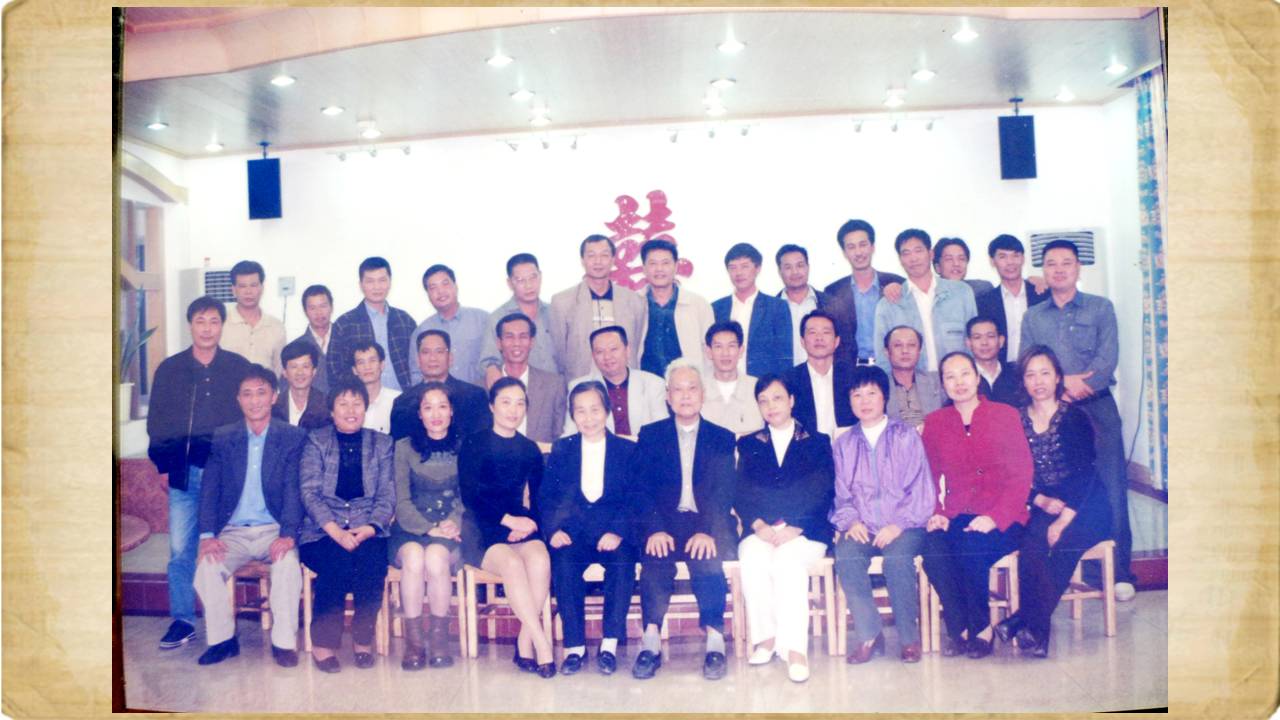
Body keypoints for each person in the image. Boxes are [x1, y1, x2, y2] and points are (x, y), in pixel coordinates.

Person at [1020, 239, 1136, 599]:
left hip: (1096, 407)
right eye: (1051, 264)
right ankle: (1076, 568)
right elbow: (1028, 361)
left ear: (1078, 268)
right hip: (1053, 413)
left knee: (1111, 486)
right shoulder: (1033, 316)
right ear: (1043, 270)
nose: (1059, 269)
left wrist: (1067, 387)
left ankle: (1120, 573)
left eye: (1066, 263)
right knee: (1069, 486)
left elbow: (1106, 361)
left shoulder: (1101, 308)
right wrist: (1058, 390)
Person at [147, 296, 252, 651]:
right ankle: (182, 620)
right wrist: (164, 465)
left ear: (222, 326)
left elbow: (250, 416)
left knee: (225, 548)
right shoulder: (170, 369)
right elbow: (157, 422)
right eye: (200, 321)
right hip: (185, 472)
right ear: (190, 325)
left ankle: (221, 624)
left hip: (227, 476)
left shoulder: (237, 367)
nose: (207, 329)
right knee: (180, 550)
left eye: (214, 321)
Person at [995, 346, 1112, 658]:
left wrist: (1063, 520)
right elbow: (1012, 473)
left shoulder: (1074, 417)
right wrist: (1040, 499)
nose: (1038, 381)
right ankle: (1033, 633)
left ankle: (1025, 622)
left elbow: (1086, 475)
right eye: (1031, 375)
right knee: (1031, 545)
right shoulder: (1017, 420)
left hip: (1087, 505)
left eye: (1045, 373)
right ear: (1023, 381)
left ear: (1058, 377)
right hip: (1046, 503)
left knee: (1062, 546)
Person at [631, 360, 738, 681]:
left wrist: (707, 531)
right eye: (677, 389)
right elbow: (641, 489)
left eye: (692, 388)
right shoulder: (651, 435)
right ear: (668, 396)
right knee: (655, 560)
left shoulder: (722, 437)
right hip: (664, 524)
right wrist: (655, 529)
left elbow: (724, 492)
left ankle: (715, 641)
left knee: (707, 560)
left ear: (703, 394)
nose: (685, 395)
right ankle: (650, 641)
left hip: (708, 523)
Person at [920, 352, 1032, 659]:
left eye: (965, 374)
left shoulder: (1005, 415)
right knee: (932, 549)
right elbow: (929, 475)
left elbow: (1022, 474)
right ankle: (960, 627)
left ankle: (981, 628)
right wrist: (937, 513)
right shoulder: (935, 422)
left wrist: (995, 517)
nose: (959, 382)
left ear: (977, 377)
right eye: (950, 376)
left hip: (1005, 516)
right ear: (942, 384)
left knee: (971, 547)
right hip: (957, 514)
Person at [192, 365, 306, 666]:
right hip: (234, 532)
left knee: (287, 566)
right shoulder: (223, 437)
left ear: (274, 397)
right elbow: (210, 489)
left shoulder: (291, 437)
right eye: (247, 394)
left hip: (274, 529)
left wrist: (288, 534)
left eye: (261, 393)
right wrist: (207, 536)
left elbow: (294, 490)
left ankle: (283, 644)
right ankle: (223, 640)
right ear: (238, 399)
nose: (254, 400)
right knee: (206, 568)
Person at [830, 366, 934, 664]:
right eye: (857, 395)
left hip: (906, 525)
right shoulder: (844, 444)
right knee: (846, 555)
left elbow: (921, 489)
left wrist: (898, 524)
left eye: (871, 393)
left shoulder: (906, 436)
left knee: (897, 560)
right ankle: (869, 634)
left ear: (884, 397)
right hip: (862, 525)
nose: (864, 401)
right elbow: (840, 493)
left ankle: (909, 639)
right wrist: (851, 520)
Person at [734, 374, 835, 683]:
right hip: (762, 529)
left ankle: (795, 650)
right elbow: (741, 491)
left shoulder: (817, 442)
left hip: (807, 530)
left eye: (777, 398)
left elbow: (823, 490)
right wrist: (758, 524)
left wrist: (796, 527)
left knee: (787, 562)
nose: (771, 406)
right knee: (751, 555)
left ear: (791, 400)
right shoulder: (749, 443)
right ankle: (766, 639)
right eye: (763, 401)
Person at [458, 377, 556, 678]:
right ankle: (542, 643)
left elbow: (539, 498)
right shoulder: (474, 443)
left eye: (520, 403)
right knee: (512, 564)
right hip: (482, 528)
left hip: (520, 524)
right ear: (492, 406)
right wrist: (508, 521)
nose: (513, 410)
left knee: (540, 558)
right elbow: (471, 496)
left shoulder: (529, 449)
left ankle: (524, 642)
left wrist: (529, 525)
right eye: (506, 402)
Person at [539, 381, 640, 676]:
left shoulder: (627, 450)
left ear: (607, 411)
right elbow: (547, 496)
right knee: (564, 563)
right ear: (572, 415)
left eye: (595, 409)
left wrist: (618, 531)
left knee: (622, 563)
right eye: (580, 411)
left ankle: (609, 645)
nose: (588, 417)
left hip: (612, 532)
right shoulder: (562, 449)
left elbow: (636, 497)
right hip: (573, 533)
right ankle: (575, 648)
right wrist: (554, 530)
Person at [297, 378, 396, 672]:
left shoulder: (382, 444)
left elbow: (387, 494)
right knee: (337, 563)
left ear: (366, 408)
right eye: (343, 404)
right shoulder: (316, 441)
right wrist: (336, 532)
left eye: (357, 403)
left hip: (368, 528)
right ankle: (323, 645)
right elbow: (309, 493)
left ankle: (362, 642)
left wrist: (371, 527)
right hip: (322, 530)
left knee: (372, 564)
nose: (350, 410)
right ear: (331, 410)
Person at [389, 382, 465, 670]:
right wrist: (429, 528)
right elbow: (401, 500)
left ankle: (439, 640)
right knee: (414, 558)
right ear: (419, 413)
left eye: (442, 406)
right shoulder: (403, 447)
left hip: (451, 530)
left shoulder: (465, 446)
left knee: (435, 557)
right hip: (410, 527)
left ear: (452, 411)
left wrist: (453, 522)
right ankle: (415, 643)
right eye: (428, 407)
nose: (436, 414)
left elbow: (467, 496)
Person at [874, 229, 977, 374]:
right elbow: (882, 358)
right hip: (911, 384)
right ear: (900, 260)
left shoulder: (961, 293)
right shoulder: (888, 305)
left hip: (956, 381)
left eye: (918, 250)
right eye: (906, 253)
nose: (913, 258)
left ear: (931, 254)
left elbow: (973, 343)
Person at [549, 235, 648, 381]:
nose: (598, 261)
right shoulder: (562, 302)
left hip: (624, 383)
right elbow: (559, 353)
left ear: (613, 260)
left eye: (604, 255)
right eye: (591, 255)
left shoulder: (634, 301)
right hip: (581, 383)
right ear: (582, 260)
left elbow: (637, 346)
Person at [821, 219, 905, 368]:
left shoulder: (896, 283)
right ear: (844, 253)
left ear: (872, 247)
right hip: (850, 371)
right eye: (851, 247)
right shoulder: (833, 292)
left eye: (863, 244)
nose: (858, 252)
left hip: (891, 368)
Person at [327, 256, 417, 392]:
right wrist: (356, 396)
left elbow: (417, 363)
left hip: (404, 397)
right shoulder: (344, 324)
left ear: (390, 282)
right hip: (363, 400)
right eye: (370, 281)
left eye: (382, 280)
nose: (377, 287)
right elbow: (335, 371)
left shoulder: (404, 321)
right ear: (361, 285)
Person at [564, 326, 668, 436]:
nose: (607, 357)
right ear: (593, 356)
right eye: (600, 352)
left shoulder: (653, 383)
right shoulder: (579, 386)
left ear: (627, 350)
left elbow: (661, 431)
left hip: (642, 446)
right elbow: (570, 432)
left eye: (613, 349)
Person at [391, 329, 491, 441]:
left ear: (450, 358)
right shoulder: (403, 402)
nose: (433, 358)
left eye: (439, 352)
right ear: (418, 360)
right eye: (426, 352)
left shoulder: (474, 396)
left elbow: (483, 441)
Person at [711, 243, 793, 378]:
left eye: (745, 266)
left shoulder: (777, 307)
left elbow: (784, 358)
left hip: (763, 385)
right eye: (733, 267)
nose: (738, 273)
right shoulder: (716, 308)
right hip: (724, 384)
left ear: (758, 268)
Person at [638, 238, 715, 378]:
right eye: (653, 263)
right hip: (644, 385)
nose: (659, 269)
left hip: (687, 385)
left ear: (676, 266)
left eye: (665, 263)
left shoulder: (698, 304)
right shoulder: (634, 303)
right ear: (644, 268)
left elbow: (710, 352)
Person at [478, 253, 560, 384]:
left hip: (556, 389)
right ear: (510, 283)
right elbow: (488, 361)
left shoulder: (555, 313)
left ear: (540, 276)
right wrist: (491, 368)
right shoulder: (498, 317)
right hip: (516, 390)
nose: (529, 285)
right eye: (521, 280)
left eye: (533, 277)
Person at [489, 312, 565, 444]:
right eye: (509, 337)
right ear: (499, 343)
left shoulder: (554, 385)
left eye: (523, 337)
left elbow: (559, 438)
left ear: (532, 342)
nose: (516, 343)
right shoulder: (482, 386)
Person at [409, 264, 489, 387]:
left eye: (445, 284)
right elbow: (416, 374)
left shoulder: (483, 320)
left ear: (456, 287)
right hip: (439, 398)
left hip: (480, 396)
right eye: (433, 287)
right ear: (428, 294)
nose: (440, 291)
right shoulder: (421, 331)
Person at [976, 234, 1050, 364]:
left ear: (1023, 259)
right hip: (1002, 370)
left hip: (1039, 367)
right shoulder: (984, 302)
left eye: (1015, 255)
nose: (1010, 262)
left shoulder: (1042, 294)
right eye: (1002, 256)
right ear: (992, 261)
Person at [787, 309, 855, 437]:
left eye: (826, 332)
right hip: (806, 448)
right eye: (812, 332)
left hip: (847, 445)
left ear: (836, 341)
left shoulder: (852, 377)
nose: (819, 338)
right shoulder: (789, 380)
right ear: (802, 341)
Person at [220, 260, 287, 375]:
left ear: (262, 288)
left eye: (253, 285)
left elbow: (279, 370)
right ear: (234, 290)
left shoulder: (276, 327)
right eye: (242, 286)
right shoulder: (221, 324)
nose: (248, 292)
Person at [700, 321, 764, 435]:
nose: (725, 353)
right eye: (718, 346)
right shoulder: (697, 389)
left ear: (741, 351)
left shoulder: (758, 387)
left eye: (731, 346)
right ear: (709, 352)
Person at [774, 244, 830, 365]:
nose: (795, 272)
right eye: (788, 267)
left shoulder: (830, 304)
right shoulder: (770, 309)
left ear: (808, 267)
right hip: (783, 376)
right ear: (779, 271)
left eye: (800, 265)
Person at [883, 326, 942, 430]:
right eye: (898, 345)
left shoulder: (936, 382)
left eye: (911, 345)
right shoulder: (879, 386)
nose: (905, 350)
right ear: (887, 352)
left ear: (919, 351)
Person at [273, 339, 332, 430]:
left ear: (314, 371)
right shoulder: (274, 405)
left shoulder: (327, 405)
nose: (300, 372)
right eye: (294, 367)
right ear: (284, 372)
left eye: (305, 366)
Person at [966, 316, 1021, 406]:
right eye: (977, 337)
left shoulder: (1016, 374)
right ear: (968, 343)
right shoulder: (964, 378)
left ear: (1001, 341)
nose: (984, 343)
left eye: (990, 336)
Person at [350, 340, 400, 435]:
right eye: (361, 362)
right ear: (354, 370)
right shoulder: (349, 405)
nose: (367, 367)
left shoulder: (398, 400)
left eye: (372, 361)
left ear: (382, 365)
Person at [293, 284, 335, 393]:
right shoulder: (296, 347)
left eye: (323, 306)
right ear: (305, 311)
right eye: (312, 308)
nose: (318, 313)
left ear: (331, 307)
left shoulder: (345, 339)